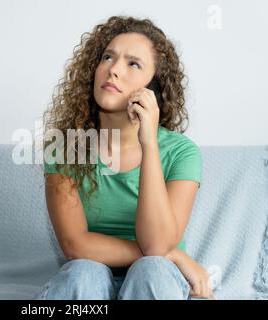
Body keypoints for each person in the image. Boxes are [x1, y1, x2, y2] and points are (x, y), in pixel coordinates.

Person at [35, 15, 214, 300]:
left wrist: (149, 144)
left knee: (152, 269)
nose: (113, 69)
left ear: (153, 89)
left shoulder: (182, 153)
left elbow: (156, 246)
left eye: (133, 63)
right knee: (84, 272)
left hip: (156, 279)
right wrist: (175, 255)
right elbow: (75, 244)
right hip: (90, 279)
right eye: (107, 57)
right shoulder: (64, 148)